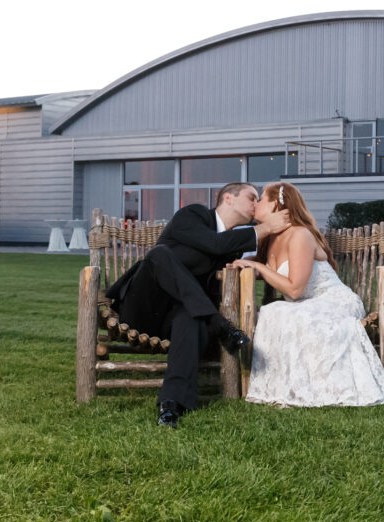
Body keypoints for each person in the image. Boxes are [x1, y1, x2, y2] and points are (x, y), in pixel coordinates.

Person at [106, 182, 290, 427]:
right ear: (228, 198)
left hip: (178, 315)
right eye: (251, 197)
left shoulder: (231, 250)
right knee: (159, 254)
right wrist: (264, 229)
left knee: (191, 319)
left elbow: (222, 260)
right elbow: (214, 244)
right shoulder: (192, 215)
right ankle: (221, 325)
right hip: (143, 306)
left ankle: (171, 405)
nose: (255, 204)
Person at [230, 182, 384, 407]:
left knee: (282, 313)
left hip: (333, 302)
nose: (256, 204)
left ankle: (321, 389)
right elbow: (270, 273)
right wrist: (246, 264)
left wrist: (260, 269)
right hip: (304, 303)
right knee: (273, 312)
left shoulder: (300, 234)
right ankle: (287, 388)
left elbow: (295, 289)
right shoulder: (269, 239)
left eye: (261, 199)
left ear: (276, 205)